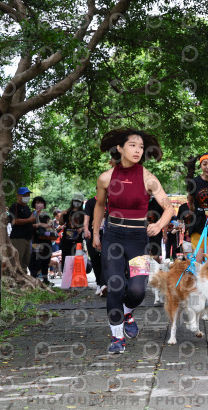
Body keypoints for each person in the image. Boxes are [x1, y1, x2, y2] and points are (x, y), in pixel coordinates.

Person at [92, 128, 174, 354]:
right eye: (132, 145)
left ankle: (127, 312)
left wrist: (159, 224)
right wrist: (96, 233)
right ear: (120, 148)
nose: (137, 150)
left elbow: (168, 207)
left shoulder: (148, 178)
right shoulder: (106, 178)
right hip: (113, 238)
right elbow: (100, 205)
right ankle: (116, 337)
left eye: (140, 147)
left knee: (138, 290)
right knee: (116, 287)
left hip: (138, 240)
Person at [84, 192, 107, 296]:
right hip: (92, 234)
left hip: (107, 234)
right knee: (95, 258)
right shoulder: (90, 202)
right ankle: (99, 283)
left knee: (105, 258)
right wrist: (86, 229)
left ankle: (104, 284)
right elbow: (87, 217)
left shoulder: (110, 201)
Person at [28, 196, 54, 285]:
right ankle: (34, 279)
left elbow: (51, 227)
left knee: (46, 260)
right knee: (35, 259)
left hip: (47, 240)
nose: (39, 204)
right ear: (34, 204)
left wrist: (49, 227)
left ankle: (45, 280)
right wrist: (39, 225)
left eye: (41, 202)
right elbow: (29, 226)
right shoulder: (31, 215)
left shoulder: (46, 215)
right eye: (37, 202)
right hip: (36, 241)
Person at [59, 193, 86, 275]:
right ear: (72, 201)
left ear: (81, 202)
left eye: (79, 201)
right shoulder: (67, 212)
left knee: (77, 258)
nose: (77, 202)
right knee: (66, 257)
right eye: (75, 200)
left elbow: (87, 224)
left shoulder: (83, 213)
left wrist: (82, 228)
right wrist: (62, 215)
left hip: (78, 240)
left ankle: (77, 277)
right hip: (66, 239)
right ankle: (66, 277)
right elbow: (61, 223)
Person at [9, 187, 34, 273]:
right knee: (18, 260)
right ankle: (16, 276)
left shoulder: (27, 207)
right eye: (24, 195)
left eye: (28, 194)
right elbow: (13, 221)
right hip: (18, 238)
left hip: (28, 238)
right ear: (18, 196)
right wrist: (29, 220)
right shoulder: (15, 206)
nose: (27, 196)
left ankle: (24, 277)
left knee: (26, 260)